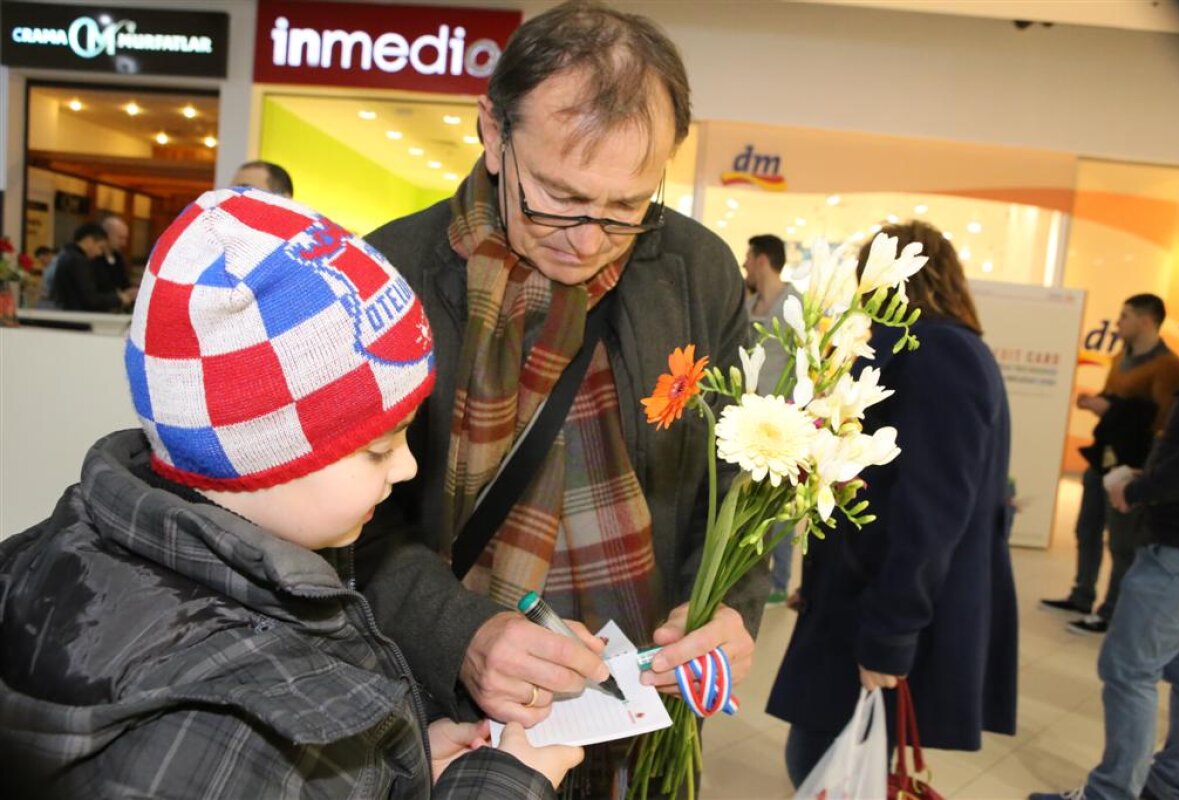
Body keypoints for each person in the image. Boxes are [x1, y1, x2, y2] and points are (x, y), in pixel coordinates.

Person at [0, 187, 581, 799]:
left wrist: (391, 771)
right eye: (378, 448)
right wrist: (500, 787)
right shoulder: (230, 718)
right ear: (260, 453)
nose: (409, 467)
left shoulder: (55, 558)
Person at [358, 3, 762, 795]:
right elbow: (347, 528)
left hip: (641, 716)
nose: (588, 238)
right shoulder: (388, 277)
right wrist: (462, 634)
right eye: (558, 196)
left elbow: (737, 483)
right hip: (455, 720)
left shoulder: (696, 271)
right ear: (493, 131)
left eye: (627, 207)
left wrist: (727, 609)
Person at [766, 220, 1018, 787]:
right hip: (862, 594)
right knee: (829, 760)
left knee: (827, 763)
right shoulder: (928, 347)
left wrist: (890, 634)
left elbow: (931, 511)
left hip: (882, 605)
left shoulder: (938, 351)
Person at [1031, 287, 1179, 800]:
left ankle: (1113, 792)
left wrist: (1138, 489)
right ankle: (1174, 785)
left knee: (1129, 670)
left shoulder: (1177, 373)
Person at [1041, 294, 1179, 635]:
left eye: (1125, 316)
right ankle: (1082, 594)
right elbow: (1116, 398)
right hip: (1104, 456)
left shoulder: (1169, 368)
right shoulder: (1121, 357)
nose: (1118, 322)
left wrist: (1113, 410)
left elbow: (1163, 421)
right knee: (1087, 528)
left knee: (1122, 542)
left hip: (1132, 465)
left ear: (1146, 320)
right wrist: (1099, 402)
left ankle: (1111, 611)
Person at [743, 233, 802, 604]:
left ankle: (779, 581)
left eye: (749, 258)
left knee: (777, 505)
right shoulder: (748, 303)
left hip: (781, 423)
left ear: (762, 259)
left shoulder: (793, 304)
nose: (745, 265)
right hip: (748, 421)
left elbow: (805, 361)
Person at [51, 222, 135, 312]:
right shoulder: (78, 261)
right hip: (77, 315)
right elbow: (90, 299)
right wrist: (119, 298)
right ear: (89, 241)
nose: (99, 253)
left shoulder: (67, 255)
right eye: (100, 247)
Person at [95, 212, 133, 296]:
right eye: (120, 238)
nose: (124, 243)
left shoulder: (118, 258)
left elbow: (125, 284)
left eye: (125, 238)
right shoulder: (93, 258)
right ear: (107, 235)